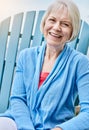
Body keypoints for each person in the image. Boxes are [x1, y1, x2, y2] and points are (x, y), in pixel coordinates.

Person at [0, 0, 89, 129]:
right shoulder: (25, 56)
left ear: (72, 31)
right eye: (52, 20)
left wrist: (59, 129)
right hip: (18, 121)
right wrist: (27, 128)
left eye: (65, 24)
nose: (56, 27)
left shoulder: (80, 63)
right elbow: (18, 99)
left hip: (53, 126)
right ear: (44, 23)